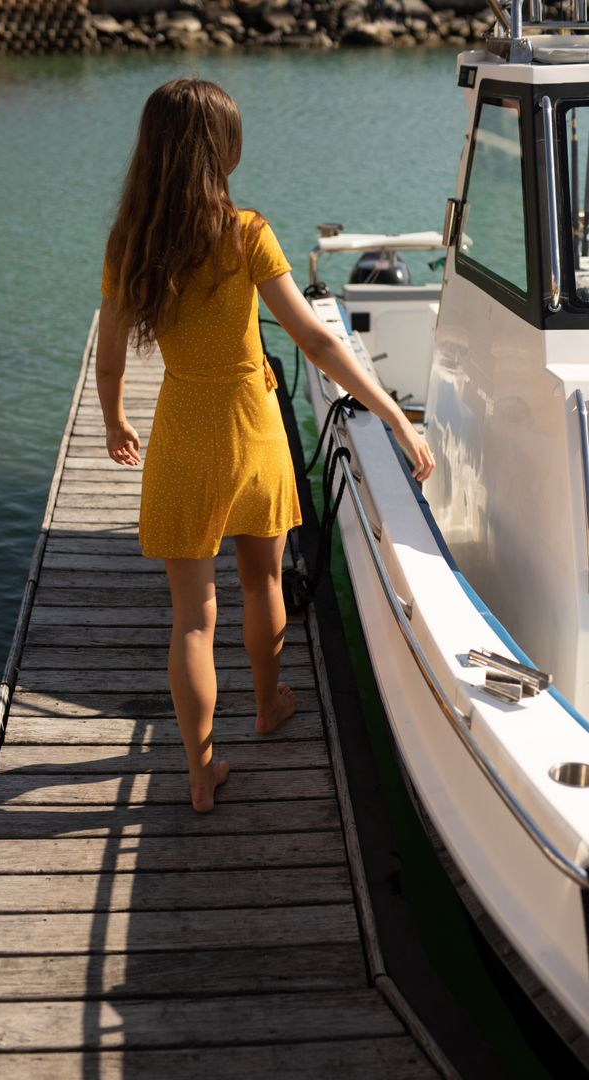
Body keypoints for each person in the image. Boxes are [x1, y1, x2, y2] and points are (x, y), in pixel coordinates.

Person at [96, 77, 435, 813]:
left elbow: (112, 353)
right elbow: (314, 338)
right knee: (263, 582)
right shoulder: (246, 232)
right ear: (222, 150)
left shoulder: (131, 243)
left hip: (183, 430)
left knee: (191, 616)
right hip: (251, 427)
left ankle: (198, 770)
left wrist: (115, 420)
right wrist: (395, 416)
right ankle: (268, 700)